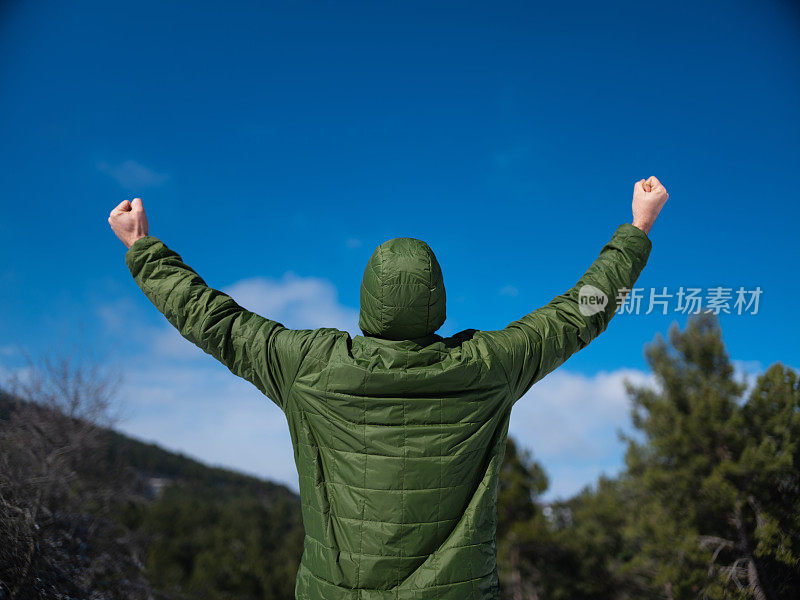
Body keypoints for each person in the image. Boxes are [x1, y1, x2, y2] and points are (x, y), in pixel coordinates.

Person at [108, 177, 668, 600]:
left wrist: (143, 248)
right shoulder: (491, 366)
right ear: (438, 300)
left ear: (367, 298)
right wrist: (637, 230)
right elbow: (581, 312)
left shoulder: (309, 366)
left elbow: (216, 321)